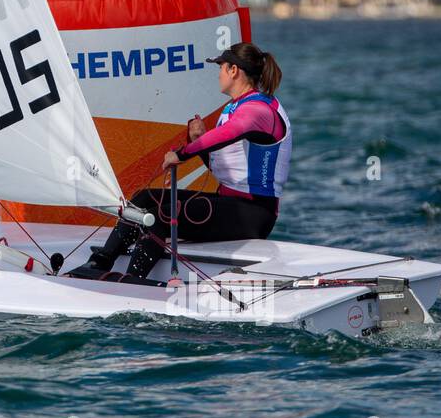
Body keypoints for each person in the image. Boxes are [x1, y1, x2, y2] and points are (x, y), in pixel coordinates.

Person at [69, 42, 290, 281]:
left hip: (253, 215)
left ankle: (133, 280)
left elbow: (231, 132)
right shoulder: (238, 107)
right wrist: (199, 140)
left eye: (221, 67)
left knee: (161, 217)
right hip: (231, 204)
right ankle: (101, 261)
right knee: (143, 199)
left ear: (233, 70)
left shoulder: (259, 110)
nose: (219, 74)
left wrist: (183, 153)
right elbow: (225, 171)